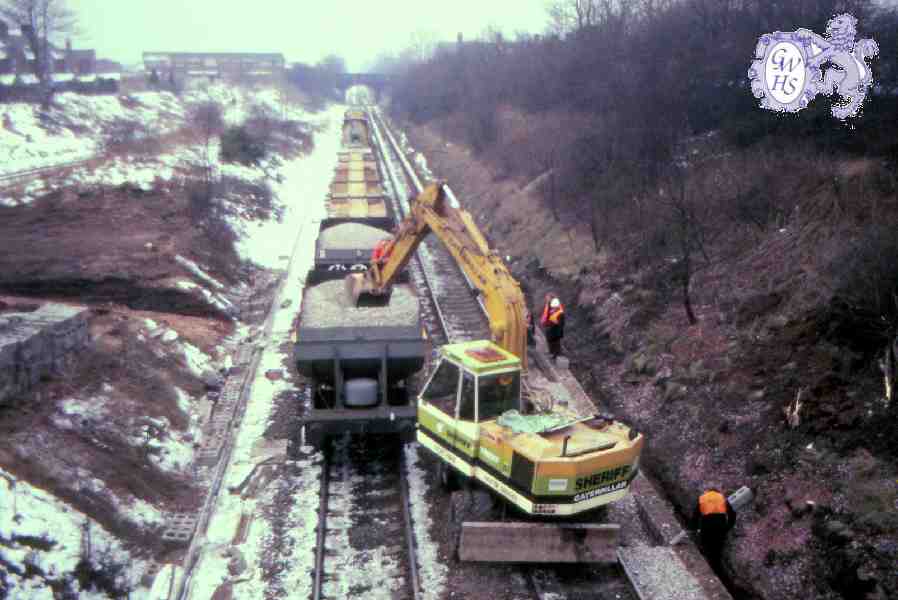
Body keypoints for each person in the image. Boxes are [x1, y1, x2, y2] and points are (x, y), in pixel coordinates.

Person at [691, 486, 736, 568]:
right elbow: (732, 514)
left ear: (708, 491)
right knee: (717, 548)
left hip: (706, 525)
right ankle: (716, 566)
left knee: (706, 546)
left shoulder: (703, 498)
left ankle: (705, 564)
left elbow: (695, 515)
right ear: (717, 492)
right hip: (720, 525)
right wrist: (728, 527)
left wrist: (695, 528)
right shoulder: (722, 498)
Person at [540, 295, 565, 361]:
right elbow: (550, 318)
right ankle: (552, 353)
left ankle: (556, 354)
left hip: (556, 330)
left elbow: (560, 324)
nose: (553, 309)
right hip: (551, 328)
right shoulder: (554, 311)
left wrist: (558, 333)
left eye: (554, 308)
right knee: (551, 341)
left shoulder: (560, 313)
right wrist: (546, 323)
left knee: (556, 343)